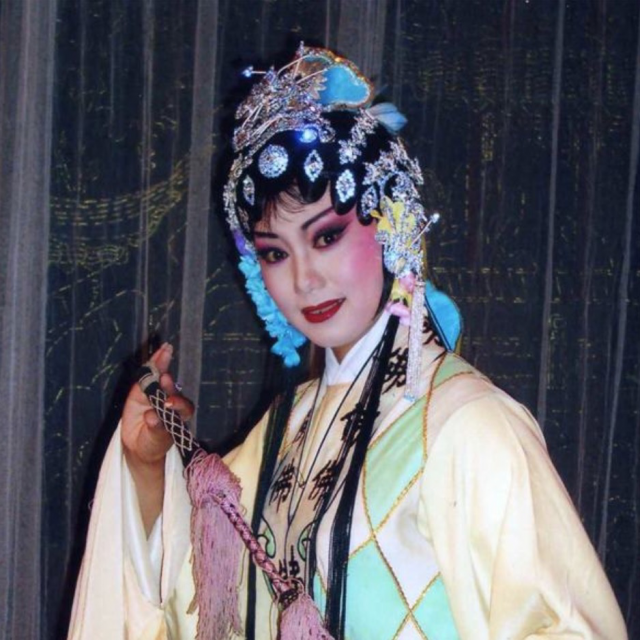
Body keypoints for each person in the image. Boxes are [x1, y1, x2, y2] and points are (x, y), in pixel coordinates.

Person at [68, 45, 627, 640]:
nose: (304, 279)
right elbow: (194, 596)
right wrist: (147, 466)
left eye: (327, 237)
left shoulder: (466, 424)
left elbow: (569, 627)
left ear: (390, 223)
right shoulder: (285, 428)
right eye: (275, 253)